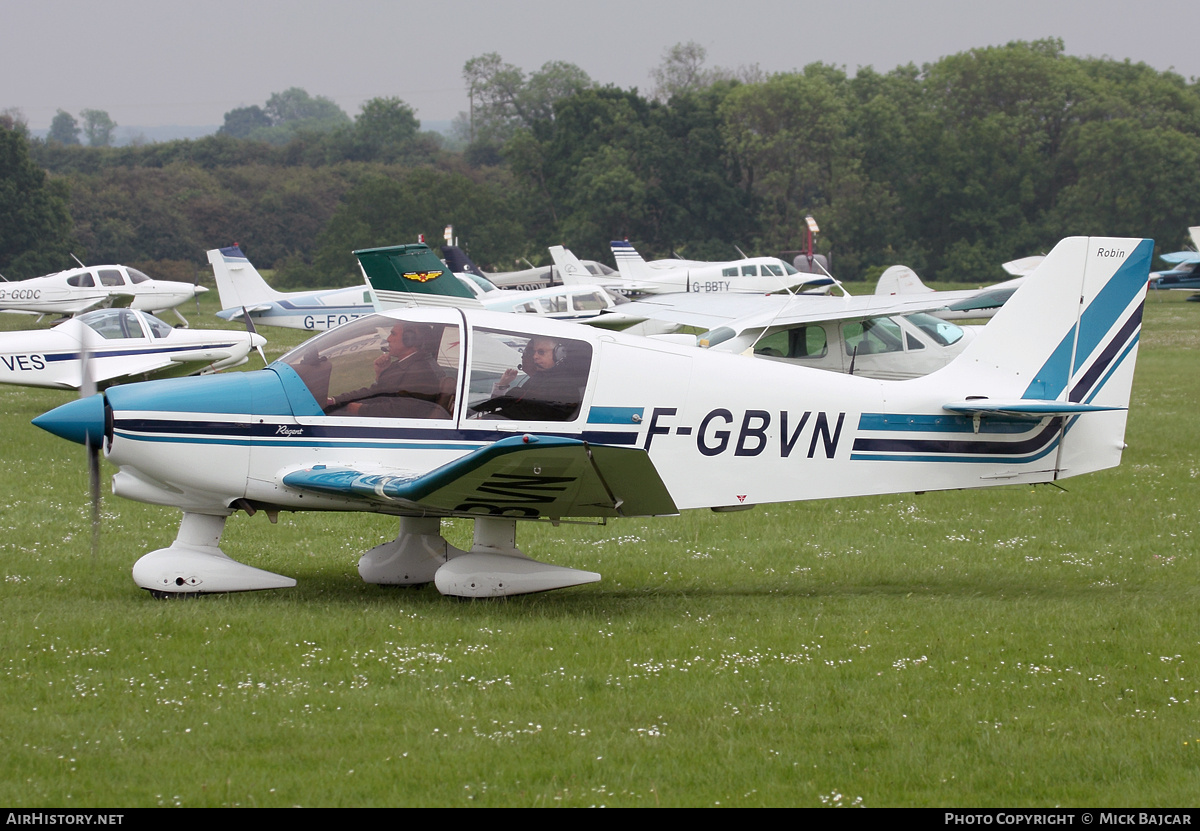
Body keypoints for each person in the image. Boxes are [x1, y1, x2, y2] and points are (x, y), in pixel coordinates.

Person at [325, 322, 444, 418]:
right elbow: (375, 392)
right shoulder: (406, 364)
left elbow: (400, 411)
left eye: (393, 334)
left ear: (410, 340)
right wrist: (335, 401)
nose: (388, 339)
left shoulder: (420, 372)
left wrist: (360, 409)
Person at [474, 335, 586, 421]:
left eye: (541, 352)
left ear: (559, 354)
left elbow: (524, 412)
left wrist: (486, 419)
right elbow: (509, 400)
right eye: (534, 352)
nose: (534, 357)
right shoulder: (539, 379)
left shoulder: (561, 385)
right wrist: (472, 411)